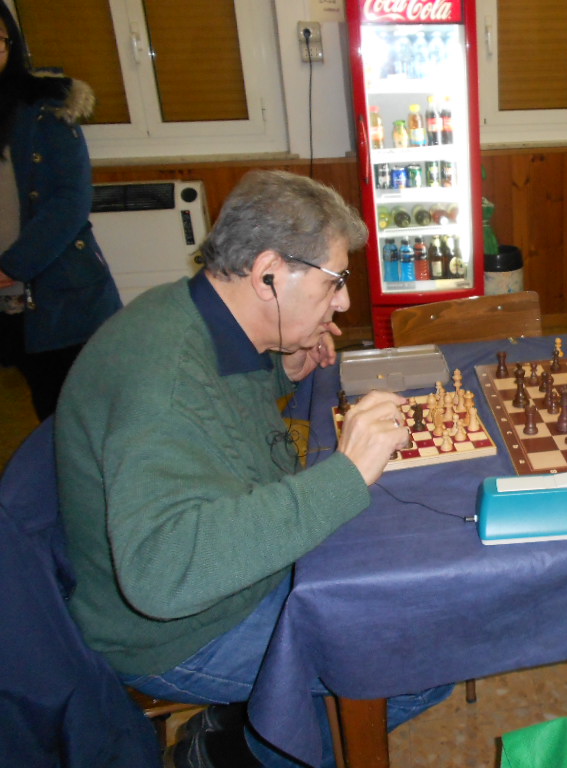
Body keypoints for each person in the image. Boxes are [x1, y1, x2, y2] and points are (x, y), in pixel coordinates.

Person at [55, 170, 452, 768]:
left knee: (393, 574)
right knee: (417, 661)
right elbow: (162, 575)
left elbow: (210, 413)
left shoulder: (197, 313)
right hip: (178, 633)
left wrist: (279, 370)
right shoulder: (161, 386)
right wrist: (346, 472)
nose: (344, 301)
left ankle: (247, 714)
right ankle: (238, 750)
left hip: (224, 585)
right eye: (335, 282)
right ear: (270, 273)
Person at [0, 4, 121, 420]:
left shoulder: (44, 107)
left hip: (58, 296)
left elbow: (70, 201)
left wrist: (13, 265)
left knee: (77, 413)